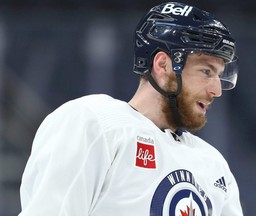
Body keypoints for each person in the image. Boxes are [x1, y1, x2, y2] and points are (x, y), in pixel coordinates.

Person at [19, 2, 243, 216]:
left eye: (218, 75)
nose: (216, 90)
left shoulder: (213, 165)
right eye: (206, 71)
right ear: (162, 65)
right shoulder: (95, 124)